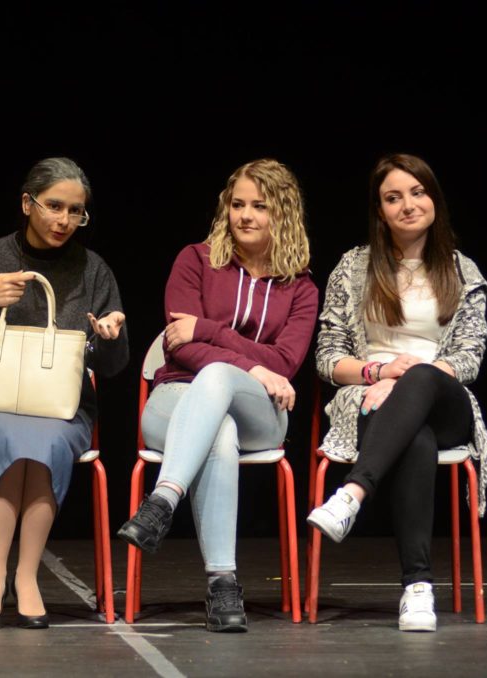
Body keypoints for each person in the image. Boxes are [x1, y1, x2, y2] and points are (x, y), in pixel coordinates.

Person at [117, 159, 318, 632]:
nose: (245, 215)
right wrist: (252, 361)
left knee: (221, 383)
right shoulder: (196, 259)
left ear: (283, 214)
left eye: (260, 207)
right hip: (175, 400)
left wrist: (210, 331)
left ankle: (162, 500)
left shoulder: (301, 288)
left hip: (262, 412)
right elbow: (179, 347)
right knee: (218, 429)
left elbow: (285, 364)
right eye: (237, 204)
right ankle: (222, 584)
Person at [0, 157, 129, 630]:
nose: (64, 221)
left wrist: (109, 337)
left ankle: (26, 577)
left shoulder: (94, 270)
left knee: (41, 440)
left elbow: (115, 365)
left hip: (62, 409)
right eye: (54, 207)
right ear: (27, 204)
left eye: (76, 211)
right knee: (7, 435)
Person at [306, 153, 487, 632]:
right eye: (393, 197)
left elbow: (468, 358)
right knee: (415, 440)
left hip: (444, 396)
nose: (408, 205)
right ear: (380, 209)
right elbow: (327, 357)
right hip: (372, 398)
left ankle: (351, 494)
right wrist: (378, 372)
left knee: (424, 378)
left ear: (433, 198)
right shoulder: (353, 268)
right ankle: (417, 590)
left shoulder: (462, 270)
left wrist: (408, 376)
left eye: (417, 192)